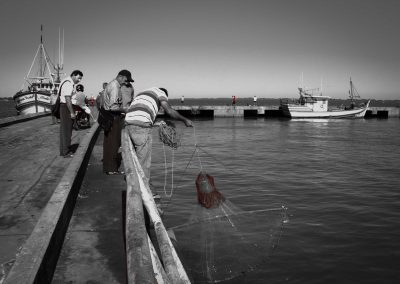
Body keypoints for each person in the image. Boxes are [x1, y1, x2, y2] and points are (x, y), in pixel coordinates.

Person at [125, 87, 193, 191]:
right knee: (144, 161)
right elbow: (169, 111)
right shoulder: (161, 93)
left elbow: (140, 114)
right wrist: (185, 120)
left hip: (128, 124)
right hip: (141, 127)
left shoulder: (143, 93)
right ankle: (142, 190)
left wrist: (156, 124)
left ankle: (133, 181)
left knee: (135, 157)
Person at [102, 69, 134, 175]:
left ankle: (109, 167)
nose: (126, 83)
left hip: (108, 116)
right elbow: (114, 107)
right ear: (121, 76)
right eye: (126, 80)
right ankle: (111, 169)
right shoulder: (115, 87)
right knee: (113, 143)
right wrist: (125, 110)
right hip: (113, 117)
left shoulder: (112, 84)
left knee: (109, 143)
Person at [59, 70, 83, 157]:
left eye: (80, 79)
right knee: (67, 131)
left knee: (64, 131)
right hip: (66, 107)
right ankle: (66, 152)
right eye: (78, 78)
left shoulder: (65, 81)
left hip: (64, 107)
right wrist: (72, 113)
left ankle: (63, 151)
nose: (79, 80)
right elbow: (67, 99)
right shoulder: (69, 83)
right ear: (73, 75)